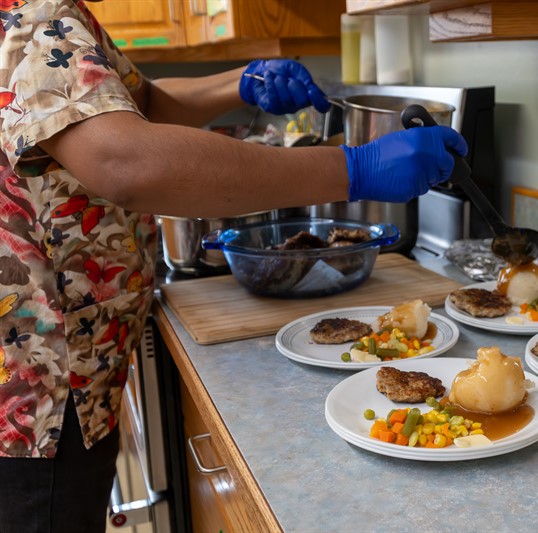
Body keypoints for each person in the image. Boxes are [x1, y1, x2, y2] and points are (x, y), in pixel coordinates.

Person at [0, 1, 467, 531]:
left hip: (70, 375)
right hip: (36, 397)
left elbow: (133, 106)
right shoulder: (27, 10)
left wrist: (240, 83)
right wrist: (353, 168)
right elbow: (124, 159)